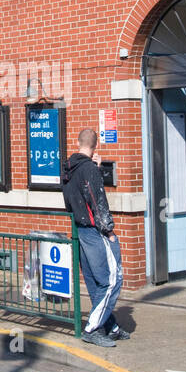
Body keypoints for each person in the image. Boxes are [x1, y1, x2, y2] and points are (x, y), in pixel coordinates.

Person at [62, 128, 128, 347]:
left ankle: (111, 326)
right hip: (94, 231)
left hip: (79, 230)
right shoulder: (88, 169)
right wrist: (108, 230)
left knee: (94, 280)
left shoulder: (69, 168)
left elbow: (75, 199)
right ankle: (91, 328)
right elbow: (96, 200)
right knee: (112, 280)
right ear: (95, 145)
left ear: (78, 142)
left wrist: (96, 170)